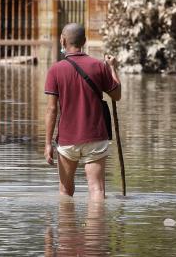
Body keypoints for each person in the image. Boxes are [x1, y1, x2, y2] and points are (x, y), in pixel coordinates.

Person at [44, 23, 121, 200]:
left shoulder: (55, 70)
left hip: (67, 139)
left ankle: (68, 227)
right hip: (95, 137)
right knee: (97, 191)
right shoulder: (99, 66)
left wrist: (48, 143)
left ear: (63, 40)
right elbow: (116, 95)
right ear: (84, 41)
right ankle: (94, 228)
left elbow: (51, 109)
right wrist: (112, 67)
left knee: (65, 192)